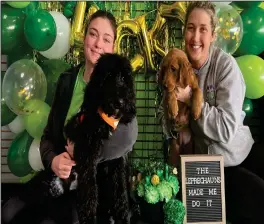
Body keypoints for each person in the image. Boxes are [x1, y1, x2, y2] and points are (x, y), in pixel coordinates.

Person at [2, 10, 138, 224]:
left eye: (106, 39)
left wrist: (85, 154)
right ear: (84, 38)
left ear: (112, 48)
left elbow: (128, 137)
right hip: (60, 175)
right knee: (9, 211)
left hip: (94, 182)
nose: (97, 44)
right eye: (93, 34)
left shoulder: (116, 85)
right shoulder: (67, 80)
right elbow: (47, 136)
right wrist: (53, 160)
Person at [158, 2, 264, 223]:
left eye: (203, 29)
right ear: (184, 31)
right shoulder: (176, 63)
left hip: (232, 160)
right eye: (190, 27)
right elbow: (165, 123)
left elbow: (226, 130)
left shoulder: (225, 67)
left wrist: (188, 97)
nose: (195, 37)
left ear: (213, 35)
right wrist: (175, 122)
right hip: (198, 168)